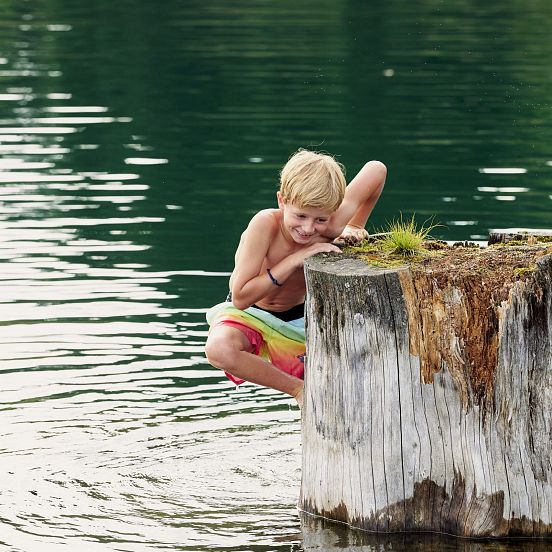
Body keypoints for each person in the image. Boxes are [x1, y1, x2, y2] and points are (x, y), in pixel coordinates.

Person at [205, 149, 386, 407]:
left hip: (299, 318)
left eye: (320, 219)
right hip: (251, 314)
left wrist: (355, 225)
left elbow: (376, 169)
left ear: (332, 211)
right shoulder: (265, 225)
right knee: (219, 349)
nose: (309, 228)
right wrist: (294, 260)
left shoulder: (331, 223)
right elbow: (241, 297)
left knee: (350, 383)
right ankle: (299, 391)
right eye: (300, 215)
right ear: (282, 200)